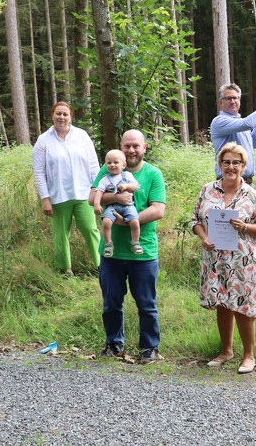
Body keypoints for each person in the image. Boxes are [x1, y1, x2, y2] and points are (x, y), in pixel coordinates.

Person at [191, 142, 256, 374]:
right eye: (226, 162)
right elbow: (194, 220)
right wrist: (203, 237)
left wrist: (245, 226)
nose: (231, 167)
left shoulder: (251, 195)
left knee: (243, 306)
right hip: (214, 259)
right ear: (220, 164)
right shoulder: (207, 190)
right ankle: (226, 351)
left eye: (236, 162)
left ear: (244, 166)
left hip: (242, 261)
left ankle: (249, 356)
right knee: (222, 304)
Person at [89, 130, 166, 364]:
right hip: (111, 252)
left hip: (143, 252)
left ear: (144, 148)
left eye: (136, 146)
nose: (131, 150)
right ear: (120, 148)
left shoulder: (153, 174)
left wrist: (128, 220)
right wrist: (116, 199)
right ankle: (113, 343)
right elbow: (92, 196)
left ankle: (149, 348)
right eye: (127, 146)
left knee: (146, 303)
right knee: (111, 302)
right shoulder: (109, 168)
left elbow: (158, 210)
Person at [32, 101, 101, 276]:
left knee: (90, 229)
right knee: (60, 234)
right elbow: (39, 172)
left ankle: (103, 266)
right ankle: (65, 270)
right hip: (58, 195)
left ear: (70, 117)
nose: (61, 117)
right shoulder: (43, 140)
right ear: (52, 116)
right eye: (58, 114)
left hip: (84, 193)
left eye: (65, 114)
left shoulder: (82, 136)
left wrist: (97, 191)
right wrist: (45, 199)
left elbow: (94, 165)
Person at [210, 83, 256, 183]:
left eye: (235, 98)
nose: (232, 101)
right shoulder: (219, 121)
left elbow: (253, 144)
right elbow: (248, 123)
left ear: (239, 101)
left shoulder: (240, 122)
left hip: (247, 183)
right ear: (221, 103)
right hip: (229, 182)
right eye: (228, 98)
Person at [92, 149, 142, 258]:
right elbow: (99, 192)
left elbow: (135, 186)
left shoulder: (127, 175)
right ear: (105, 165)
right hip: (112, 206)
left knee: (135, 221)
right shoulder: (105, 179)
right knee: (106, 222)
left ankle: (135, 242)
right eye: (109, 163)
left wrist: (126, 186)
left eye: (116, 162)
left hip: (128, 205)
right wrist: (97, 204)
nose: (112, 165)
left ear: (124, 165)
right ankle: (108, 244)